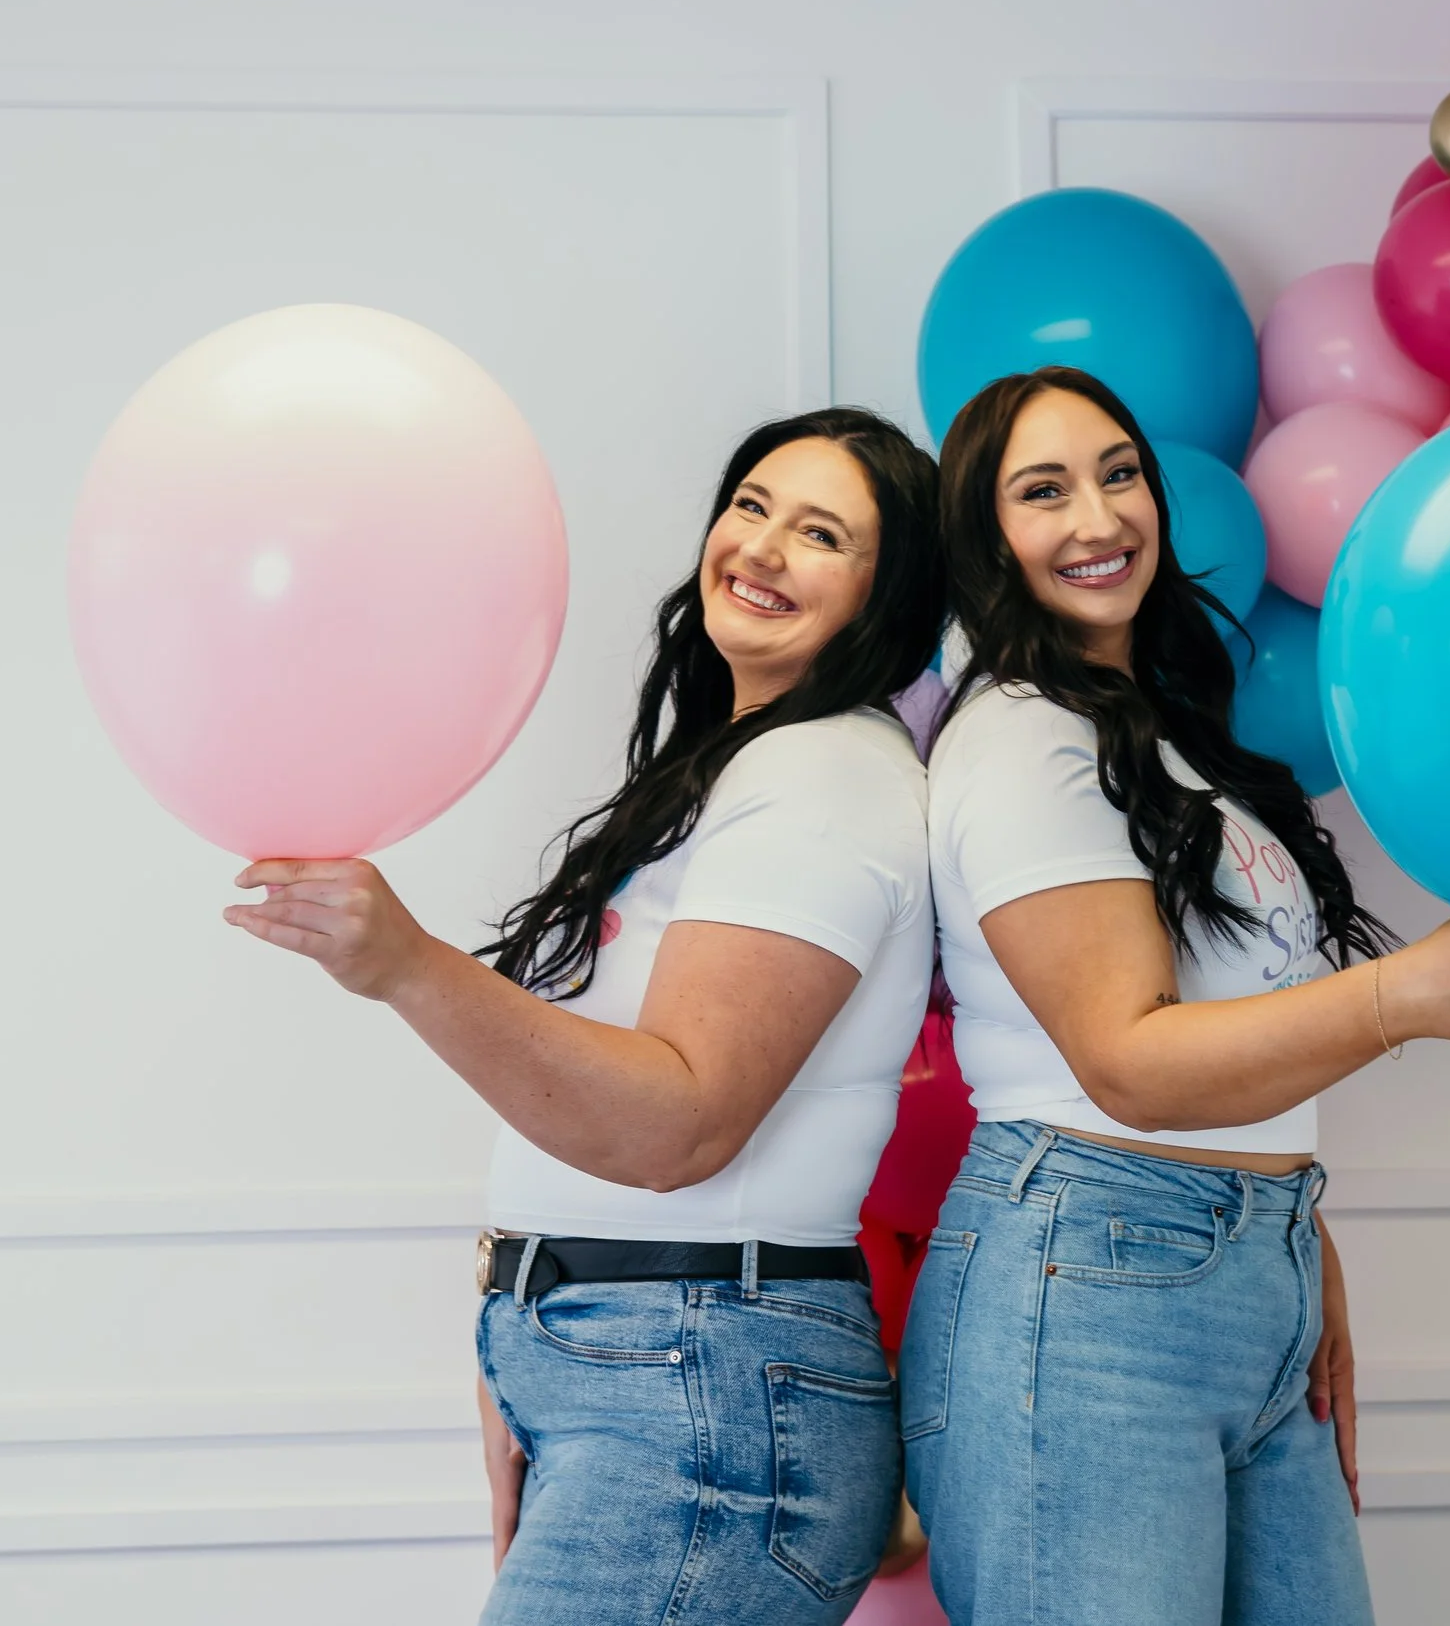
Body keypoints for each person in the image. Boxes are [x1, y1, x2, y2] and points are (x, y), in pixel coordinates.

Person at [903, 367, 1450, 1626]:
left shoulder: (1160, 734)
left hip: (1239, 1268)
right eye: (1043, 490)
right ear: (984, 536)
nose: (1097, 517)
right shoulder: (1021, 735)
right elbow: (1128, 1059)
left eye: (1119, 473)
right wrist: (1399, 995)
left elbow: (1225, 1034)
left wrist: (1294, 1231)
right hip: (1089, 1284)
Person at [225, 407, 947, 1625]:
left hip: (693, 1383)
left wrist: (408, 963)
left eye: (819, 532)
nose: (760, 547)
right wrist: (523, 1328)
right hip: (642, 1363)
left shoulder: (823, 772)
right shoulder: (737, 768)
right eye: (752, 505)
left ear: (891, 596)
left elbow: (677, 1123)